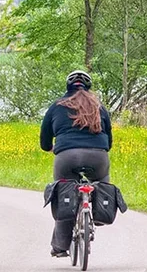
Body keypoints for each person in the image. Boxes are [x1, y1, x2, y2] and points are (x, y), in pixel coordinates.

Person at [41, 70, 113, 257]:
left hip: (67, 157)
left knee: (64, 192)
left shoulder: (56, 106)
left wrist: (53, 149)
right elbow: (109, 141)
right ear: (89, 87)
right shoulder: (99, 107)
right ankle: (98, 213)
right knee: (102, 181)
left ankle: (59, 247)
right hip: (97, 157)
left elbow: (44, 141)